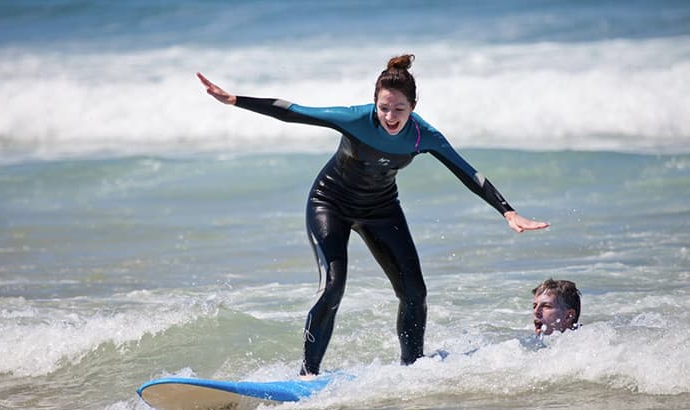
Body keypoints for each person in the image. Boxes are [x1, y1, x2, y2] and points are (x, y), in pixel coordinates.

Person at [197, 54, 549, 376]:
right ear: (375, 103)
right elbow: (293, 110)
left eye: (399, 109)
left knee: (415, 293)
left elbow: (468, 173)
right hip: (330, 204)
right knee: (333, 288)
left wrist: (507, 211)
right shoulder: (355, 119)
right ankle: (307, 374)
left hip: (381, 208)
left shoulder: (424, 135)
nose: (391, 117)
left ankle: (412, 368)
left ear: (413, 106)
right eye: (384, 108)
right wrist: (234, 100)